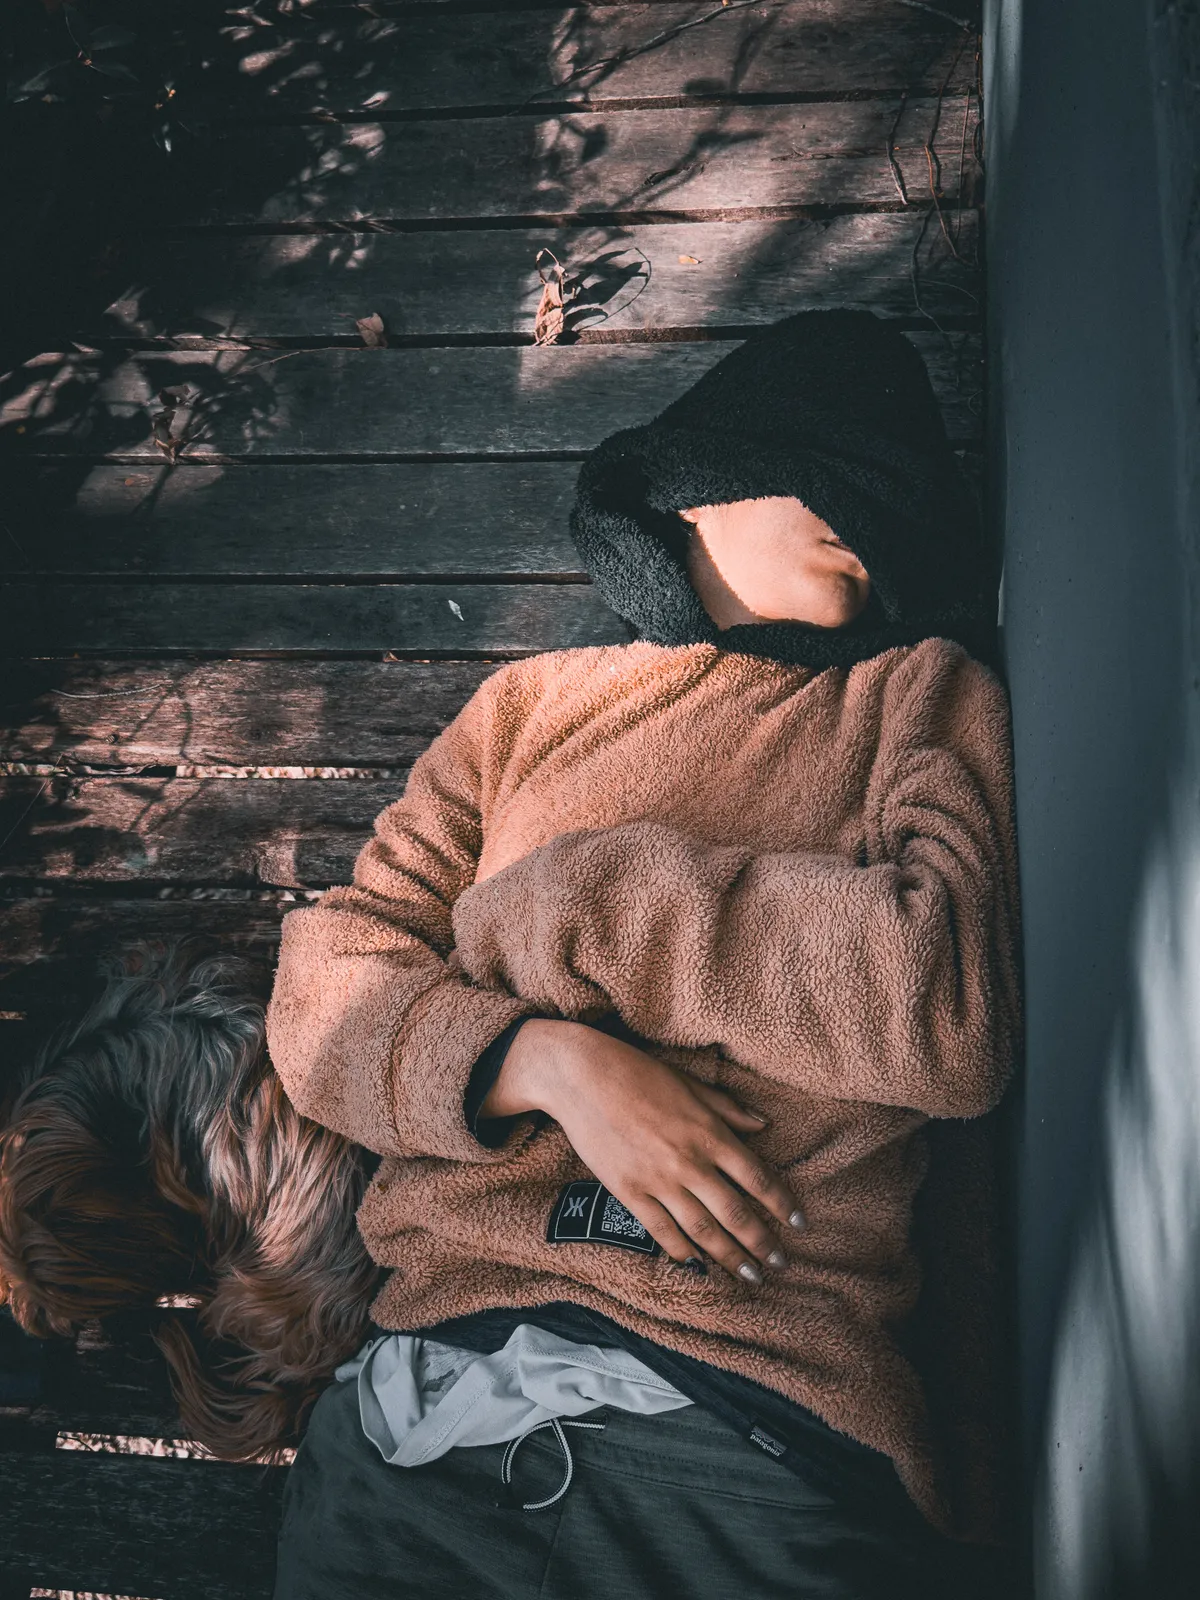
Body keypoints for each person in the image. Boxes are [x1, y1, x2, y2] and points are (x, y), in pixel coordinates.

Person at [0, 310, 1021, 1599]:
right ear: (693, 491)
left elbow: (948, 1010)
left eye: (896, 509)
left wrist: (574, 911)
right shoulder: (525, 711)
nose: (863, 526)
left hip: (746, 1428)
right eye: (829, 473)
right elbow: (326, 1002)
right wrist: (544, 1060)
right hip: (413, 1428)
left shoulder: (922, 699)